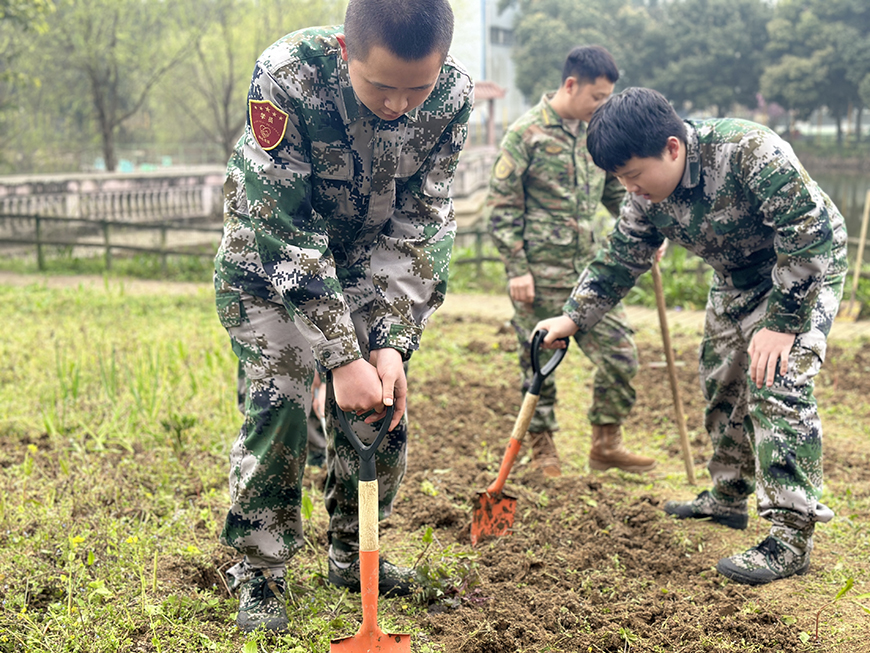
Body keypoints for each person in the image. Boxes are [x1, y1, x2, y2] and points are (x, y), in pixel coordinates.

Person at [213, 0, 472, 632]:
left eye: (419, 86)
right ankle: (260, 567)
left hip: (367, 269)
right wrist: (339, 356)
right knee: (280, 404)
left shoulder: (453, 99)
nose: (398, 105)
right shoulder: (289, 76)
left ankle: (357, 555)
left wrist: (387, 344)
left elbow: (421, 223)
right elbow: (280, 223)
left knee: (381, 407)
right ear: (345, 51)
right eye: (381, 85)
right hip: (271, 267)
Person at [534, 87, 846, 585]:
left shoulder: (747, 150)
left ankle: (791, 536)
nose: (629, 189)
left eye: (633, 175)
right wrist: (572, 317)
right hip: (735, 276)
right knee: (722, 379)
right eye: (619, 179)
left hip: (804, 267)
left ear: (673, 149)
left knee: (777, 380)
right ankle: (727, 497)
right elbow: (623, 254)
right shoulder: (645, 196)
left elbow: (808, 234)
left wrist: (783, 325)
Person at [487, 46, 654, 478]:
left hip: (590, 278)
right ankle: (542, 450)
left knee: (622, 356)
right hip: (539, 277)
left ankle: (606, 443)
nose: (602, 105)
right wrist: (516, 268)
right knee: (540, 366)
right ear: (570, 85)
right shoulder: (526, 134)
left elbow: (618, 192)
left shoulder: (596, 135)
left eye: (607, 97)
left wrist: (647, 228)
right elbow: (503, 206)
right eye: (597, 97)